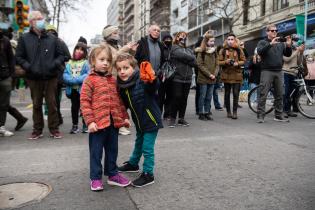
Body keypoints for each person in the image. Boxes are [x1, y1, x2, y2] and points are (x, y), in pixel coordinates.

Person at [80, 45, 131, 191]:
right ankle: (95, 178)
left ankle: (113, 174)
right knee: (96, 152)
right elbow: (84, 101)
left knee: (112, 150)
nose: (105, 63)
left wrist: (124, 117)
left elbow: (119, 102)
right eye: (101, 59)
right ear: (92, 61)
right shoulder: (89, 80)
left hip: (113, 123)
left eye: (108, 60)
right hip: (97, 124)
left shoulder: (113, 80)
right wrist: (90, 121)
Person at [115, 53, 163, 187]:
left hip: (151, 120)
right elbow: (123, 105)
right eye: (119, 69)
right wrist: (122, 117)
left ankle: (148, 174)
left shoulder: (141, 79)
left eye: (126, 68)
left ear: (133, 68)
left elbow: (153, 87)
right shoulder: (123, 86)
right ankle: (133, 163)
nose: (122, 72)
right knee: (138, 143)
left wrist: (152, 79)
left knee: (147, 148)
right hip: (139, 121)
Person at [16, 11, 65, 139]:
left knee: (52, 104)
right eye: (38, 19)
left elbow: (61, 56)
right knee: (36, 104)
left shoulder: (52, 38)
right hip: (33, 78)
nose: (41, 21)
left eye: (42, 18)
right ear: (32, 22)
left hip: (51, 77)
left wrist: (54, 64)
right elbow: (19, 57)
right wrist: (28, 67)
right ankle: (37, 130)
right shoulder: (24, 38)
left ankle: (54, 129)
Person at [102, 24, 138, 136]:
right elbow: (110, 60)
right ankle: (118, 125)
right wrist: (125, 49)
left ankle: (121, 124)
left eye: (117, 33)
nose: (117, 35)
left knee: (121, 103)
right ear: (108, 35)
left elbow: (126, 60)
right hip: (109, 78)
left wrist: (132, 51)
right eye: (114, 33)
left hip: (119, 78)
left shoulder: (117, 46)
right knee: (114, 103)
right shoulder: (104, 47)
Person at [256, 24, 292, 123]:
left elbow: (288, 54)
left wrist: (288, 46)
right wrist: (270, 44)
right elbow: (260, 52)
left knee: (280, 94)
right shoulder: (262, 42)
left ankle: (278, 115)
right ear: (267, 32)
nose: (274, 32)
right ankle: (260, 115)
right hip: (266, 70)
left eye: (276, 30)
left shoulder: (280, 43)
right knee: (263, 93)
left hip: (279, 71)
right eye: (272, 30)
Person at [168, 31, 196, 127]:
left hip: (187, 78)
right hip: (177, 77)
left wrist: (190, 58)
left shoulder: (188, 49)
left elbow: (194, 62)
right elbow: (181, 55)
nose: (183, 38)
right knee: (176, 97)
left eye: (185, 36)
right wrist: (190, 58)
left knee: (184, 99)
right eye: (181, 36)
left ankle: (181, 118)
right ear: (177, 38)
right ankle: (172, 118)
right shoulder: (174, 48)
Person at [46, 24, 71, 125]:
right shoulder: (60, 41)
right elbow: (68, 56)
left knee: (52, 98)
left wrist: (56, 60)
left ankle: (57, 118)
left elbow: (67, 56)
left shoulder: (57, 41)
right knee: (55, 98)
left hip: (53, 74)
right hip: (57, 74)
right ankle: (58, 117)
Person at [63, 42, 89, 134]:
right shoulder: (70, 62)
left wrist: (77, 79)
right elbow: (65, 73)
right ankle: (75, 125)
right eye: (77, 49)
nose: (79, 51)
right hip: (72, 90)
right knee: (74, 107)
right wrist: (69, 80)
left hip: (82, 90)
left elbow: (88, 74)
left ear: (85, 52)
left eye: (82, 50)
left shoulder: (86, 63)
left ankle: (86, 125)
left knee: (84, 107)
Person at [218, 33, 246, 119]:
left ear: (235, 40)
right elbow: (218, 62)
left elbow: (243, 60)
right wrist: (226, 62)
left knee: (236, 94)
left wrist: (237, 63)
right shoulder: (222, 50)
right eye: (229, 39)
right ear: (226, 40)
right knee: (227, 94)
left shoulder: (239, 50)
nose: (230, 41)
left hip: (237, 75)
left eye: (232, 39)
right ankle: (228, 112)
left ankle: (235, 112)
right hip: (226, 75)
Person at [195, 32, 218, 121]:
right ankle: (201, 113)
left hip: (212, 78)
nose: (213, 43)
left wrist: (214, 74)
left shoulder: (214, 51)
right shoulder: (201, 51)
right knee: (203, 96)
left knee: (209, 97)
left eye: (213, 41)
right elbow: (199, 64)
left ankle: (207, 112)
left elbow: (217, 64)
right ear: (206, 41)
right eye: (211, 41)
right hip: (203, 78)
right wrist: (209, 74)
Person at [282, 39, 305, 117]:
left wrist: (301, 52)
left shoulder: (296, 50)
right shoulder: (286, 49)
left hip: (294, 73)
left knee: (291, 93)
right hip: (285, 72)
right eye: (294, 40)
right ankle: (284, 110)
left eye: (297, 41)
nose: (296, 42)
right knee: (286, 92)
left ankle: (288, 110)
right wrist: (297, 51)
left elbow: (299, 62)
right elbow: (287, 59)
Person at [0, 26, 15, 137]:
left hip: (5, 77)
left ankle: (1, 127)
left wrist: (11, 75)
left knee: (4, 104)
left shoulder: (5, 40)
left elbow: (11, 59)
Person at [159, 34, 173, 120]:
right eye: (166, 39)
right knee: (160, 96)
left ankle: (167, 114)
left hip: (171, 74)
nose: (168, 40)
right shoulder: (160, 48)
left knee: (169, 96)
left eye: (169, 39)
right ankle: (159, 113)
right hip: (162, 75)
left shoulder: (173, 49)